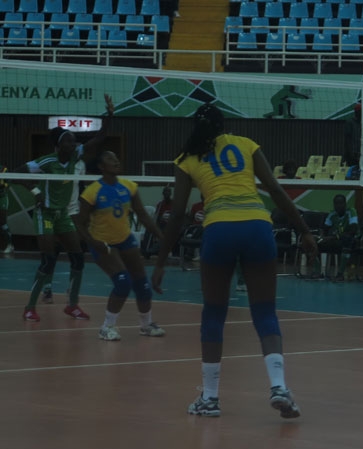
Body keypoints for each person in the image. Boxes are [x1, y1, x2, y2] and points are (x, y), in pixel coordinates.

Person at [151, 103, 317, 419]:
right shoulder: (245, 145)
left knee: (214, 313)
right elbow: (275, 189)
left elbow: (176, 215)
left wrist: (160, 261)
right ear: (223, 125)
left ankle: (210, 398)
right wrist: (304, 231)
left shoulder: (187, 159)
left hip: (219, 229)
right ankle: (279, 387)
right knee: (264, 311)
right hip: (257, 226)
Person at [13, 94, 115, 322]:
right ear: (59, 145)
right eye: (70, 140)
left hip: (63, 215)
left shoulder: (74, 157)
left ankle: (72, 305)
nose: (75, 143)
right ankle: (30, 307)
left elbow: (98, 139)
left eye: (75, 140)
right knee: (48, 259)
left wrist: (109, 116)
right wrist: (36, 192)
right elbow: (17, 173)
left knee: (78, 258)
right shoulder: (46, 162)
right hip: (46, 214)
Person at [74, 151, 166, 341]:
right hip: (103, 243)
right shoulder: (92, 191)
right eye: (109, 158)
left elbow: (142, 215)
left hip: (125, 239)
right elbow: (79, 223)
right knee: (123, 282)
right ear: (101, 166)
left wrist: (161, 236)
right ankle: (107, 327)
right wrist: (92, 242)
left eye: (116, 157)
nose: (116, 160)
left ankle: (146, 324)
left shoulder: (128, 186)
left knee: (142, 284)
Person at [319, 194, 359, 281]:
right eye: (336, 203)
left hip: (351, 239)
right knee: (316, 242)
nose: (338, 206)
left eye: (340, 203)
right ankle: (317, 272)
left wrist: (333, 237)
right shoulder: (332, 214)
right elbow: (324, 228)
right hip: (337, 239)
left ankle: (340, 274)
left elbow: (353, 230)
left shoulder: (351, 211)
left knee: (347, 240)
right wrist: (322, 237)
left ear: (345, 204)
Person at [0, 164, 12, 254]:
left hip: (2, 198)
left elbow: (8, 184)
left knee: (3, 222)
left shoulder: (3, 169)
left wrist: (3, 184)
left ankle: (10, 245)